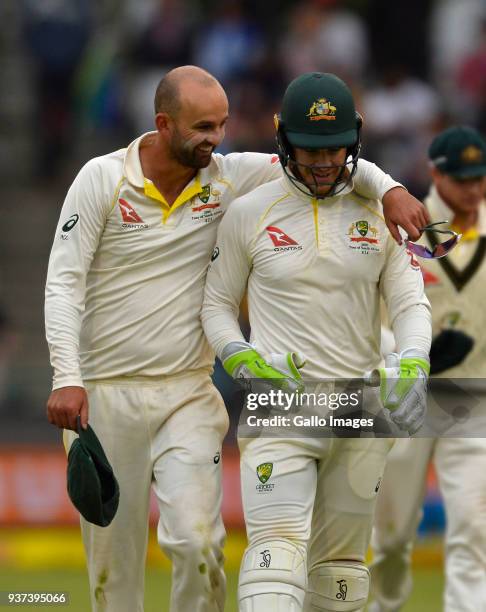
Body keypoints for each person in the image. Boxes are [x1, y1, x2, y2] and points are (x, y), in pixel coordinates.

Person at [45, 65, 429, 612]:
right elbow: (64, 283)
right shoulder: (102, 180)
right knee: (115, 572)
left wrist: (389, 188)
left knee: (199, 543)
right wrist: (67, 376)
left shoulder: (226, 175)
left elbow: (325, 159)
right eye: (203, 127)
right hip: (106, 391)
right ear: (163, 123)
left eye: (222, 125)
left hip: (187, 389)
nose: (216, 139)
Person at [201, 72, 432, 612]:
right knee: (275, 558)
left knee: (340, 577)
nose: (325, 163)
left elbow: (410, 304)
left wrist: (414, 360)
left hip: (361, 406)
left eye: (336, 149)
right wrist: (240, 356)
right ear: (283, 140)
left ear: (356, 140)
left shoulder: (381, 215)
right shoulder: (249, 214)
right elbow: (215, 305)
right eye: (311, 150)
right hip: (283, 403)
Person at [369, 126, 486, 612]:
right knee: (392, 536)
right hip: (404, 400)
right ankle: (382, 605)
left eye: (480, 177)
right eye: (462, 179)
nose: (474, 189)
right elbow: (368, 315)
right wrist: (415, 352)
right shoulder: (404, 225)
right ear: (435, 172)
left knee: (475, 531)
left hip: (474, 397)